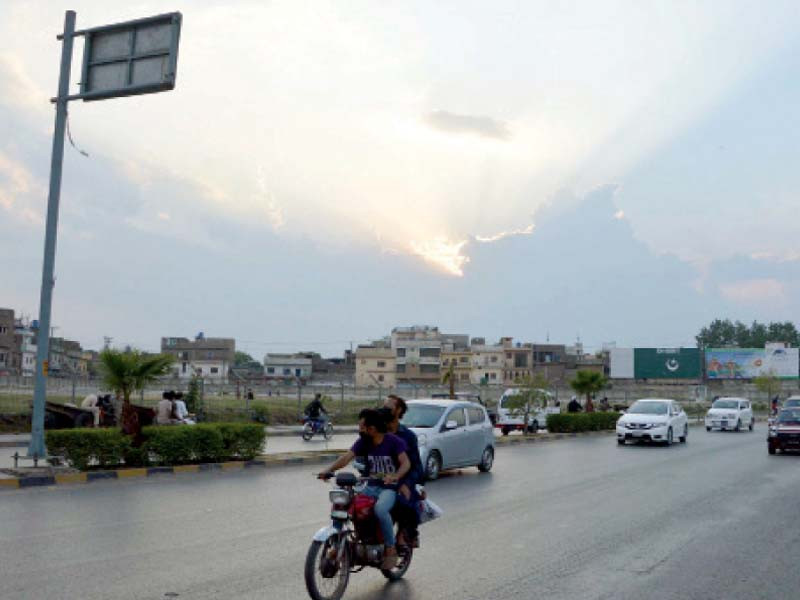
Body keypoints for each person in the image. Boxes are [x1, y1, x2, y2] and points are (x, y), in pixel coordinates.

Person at [318, 408, 411, 570]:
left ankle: (390, 548)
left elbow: (406, 463)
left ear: (372, 428)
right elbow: (346, 457)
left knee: (381, 510)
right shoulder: (364, 442)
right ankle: (337, 544)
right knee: (344, 504)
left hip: (389, 488)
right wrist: (329, 470)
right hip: (371, 486)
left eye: (362, 426)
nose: (359, 430)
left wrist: (395, 476)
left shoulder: (393, 442)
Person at [381, 395, 423, 548]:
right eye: (383, 407)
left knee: (403, 502)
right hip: (378, 479)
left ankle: (405, 534)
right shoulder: (377, 433)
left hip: (401, 480)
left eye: (389, 408)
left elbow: (416, 466)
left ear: (399, 411)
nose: (384, 411)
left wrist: (405, 483)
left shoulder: (408, 436)